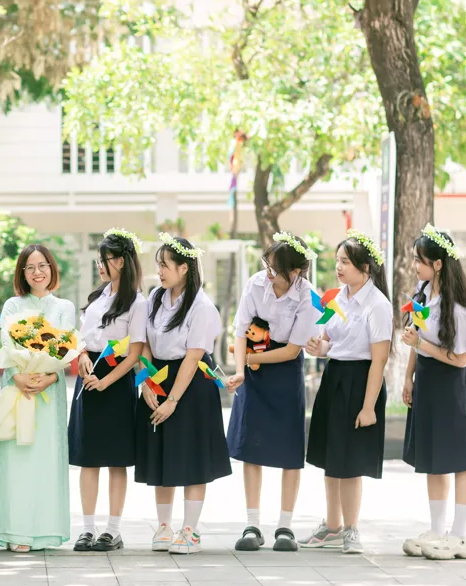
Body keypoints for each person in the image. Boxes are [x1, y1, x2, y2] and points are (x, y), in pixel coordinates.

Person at [136, 233, 231, 555]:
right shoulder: (154, 298)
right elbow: (145, 344)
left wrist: (173, 400)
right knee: (161, 453)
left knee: (192, 455)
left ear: (184, 268)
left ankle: (190, 530)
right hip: (158, 376)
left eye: (165, 265)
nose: (159, 271)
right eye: (158, 265)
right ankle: (164, 526)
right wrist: (147, 383)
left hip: (191, 384)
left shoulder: (201, 306)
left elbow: (193, 358)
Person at [400, 226, 466, 561]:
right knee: (434, 458)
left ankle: (460, 536)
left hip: (451, 385)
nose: (415, 266)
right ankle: (437, 530)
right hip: (427, 381)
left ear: (438, 264)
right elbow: (415, 336)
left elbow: (461, 359)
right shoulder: (423, 295)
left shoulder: (458, 310)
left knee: (461, 459)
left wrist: (420, 345)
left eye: (419, 260)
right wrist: (408, 377)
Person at [225, 232, 318, 553]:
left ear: (295, 272)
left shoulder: (307, 297)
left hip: (285, 370)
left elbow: (292, 350)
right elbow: (240, 331)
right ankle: (252, 524)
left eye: (275, 269)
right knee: (251, 445)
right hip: (253, 370)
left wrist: (253, 360)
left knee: (290, 449)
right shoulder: (255, 284)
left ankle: (285, 527)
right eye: (267, 265)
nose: (268, 273)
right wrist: (241, 369)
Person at [302, 231, 393, 554]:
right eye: (337, 261)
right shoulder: (336, 298)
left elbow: (379, 359)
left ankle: (352, 529)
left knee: (351, 461)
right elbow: (329, 340)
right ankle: (332, 525)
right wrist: (320, 347)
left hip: (360, 381)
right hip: (334, 378)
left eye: (345, 262)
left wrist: (368, 407)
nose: (338, 267)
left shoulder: (377, 305)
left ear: (365, 267)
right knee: (331, 457)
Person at [0, 244, 73, 552]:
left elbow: (65, 348)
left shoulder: (64, 307)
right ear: (22, 273)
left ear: (51, 268)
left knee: (46, 458)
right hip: (18, 389)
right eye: (31, 267)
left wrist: (50, 376)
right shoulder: (12, 305)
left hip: (50, 391)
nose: (38, 272)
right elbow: (6, 345)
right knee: (18, 459)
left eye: (43, 266)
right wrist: (18, 376)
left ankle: (46, 530)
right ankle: (17, 531)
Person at [70, 229, 146, 552]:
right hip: (88, 377)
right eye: (99, 260)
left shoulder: (138, 302)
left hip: (115, 381)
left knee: (116, 459)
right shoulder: (97, 298)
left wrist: (105, 381)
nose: (100, 265)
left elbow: (135, 354)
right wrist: (82, 356)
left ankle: (113, 530)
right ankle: (87, 528)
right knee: (88, 459)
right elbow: (81, 339)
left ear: (122, 261)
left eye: (106, 260)